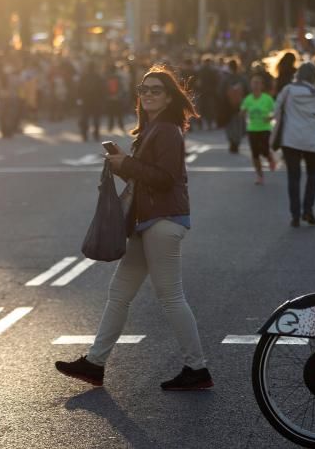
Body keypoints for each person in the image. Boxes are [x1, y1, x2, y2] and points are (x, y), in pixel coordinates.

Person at [55, 65, 212, 391]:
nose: (149, 94)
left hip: (163, 222)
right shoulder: (151, 130)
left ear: (169, 97)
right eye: (144, 89)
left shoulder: (167, 130)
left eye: (156, 89)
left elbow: (165, 179)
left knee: (170, 297)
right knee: (119, 294)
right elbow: (145, 180)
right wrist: (122, 165)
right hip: (147, 222)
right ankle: (95, 364)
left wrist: (126, 163)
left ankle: (196, 368)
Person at [276, 62, 315, 227]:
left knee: (294, 177)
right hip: (312, 140)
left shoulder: (288, 90)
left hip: (290, 139)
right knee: (312, 176)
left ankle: (295, 215)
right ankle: (308, 210)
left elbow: (276, 110)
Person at [241, 74, 277, 184]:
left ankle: (270, 158)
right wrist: (242, 113)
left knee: (264, 149)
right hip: (252, 128)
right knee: (255, 154)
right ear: (251, 85)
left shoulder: (267, 99)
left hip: (265, 128)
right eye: (253, 83)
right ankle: (260, 175)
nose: (255, 85)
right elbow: (242, 111)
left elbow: (276, 111)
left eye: (258, 83)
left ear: (262, 85)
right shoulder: (248, 99)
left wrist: (270, 117)